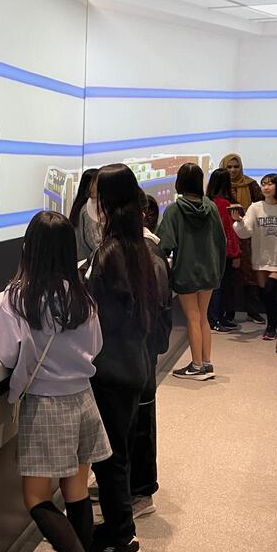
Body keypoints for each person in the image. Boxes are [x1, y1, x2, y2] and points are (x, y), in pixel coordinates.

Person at [0, 211, 118, 552]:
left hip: (46, 406)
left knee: (35, 497)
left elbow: (5, 352)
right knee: (76, 490)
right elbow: (95, 346)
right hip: (83, 400)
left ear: (29, 249)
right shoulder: (82, 297)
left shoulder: (18, 298)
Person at [84, 163, 158, 552]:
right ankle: (118, 526)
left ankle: (121, 538)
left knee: (109, 457)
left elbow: (99, 317)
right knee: (118, 453)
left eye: (98, 196)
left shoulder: (111, 251)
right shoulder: (137, 246)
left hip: (111, 369)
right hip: (132, 364)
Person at [125, 187, 173, 519]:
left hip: (137, 353)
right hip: (133, 353)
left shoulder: (147, 253)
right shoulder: (136, 248)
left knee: (140, 421)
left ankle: (141, 491)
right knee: (131, 422)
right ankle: (129, 485)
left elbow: (151, 311)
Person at [157, 162, 225, 380]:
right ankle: (206, 362)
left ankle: (196, 366)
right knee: (203, 317)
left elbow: (164, 243)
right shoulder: (211, 207)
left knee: (193, 318)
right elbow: (221, 240)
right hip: (209, 270)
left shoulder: (174, 210)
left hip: (186, 271)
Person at [232, 174, 277, 341]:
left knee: (271, 288)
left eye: (270, 184)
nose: (266, 187)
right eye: (263, 184)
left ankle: (271, 326)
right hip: (261, 256)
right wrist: (239, 222)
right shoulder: (255, 207)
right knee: (264, 292)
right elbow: (246, 232)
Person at [221, 153, 264, 324]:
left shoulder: (251, 184)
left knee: (250, 274)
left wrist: (246, 216)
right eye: (229, 167)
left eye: (236, 166)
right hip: (226, 235)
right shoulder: (220, 184)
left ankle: (253, 311)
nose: (233, 170)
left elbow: (262, 206)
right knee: (229, 276)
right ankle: (228, 312)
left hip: (248, 235)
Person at [205, 168, 241, 332]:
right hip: (224, 252)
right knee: (220, 287)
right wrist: (236, 253)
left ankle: (216, 318)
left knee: (216, 287)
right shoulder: (225, 204)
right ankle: (216, 319)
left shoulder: (207, 202)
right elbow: (229, 231)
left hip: (210, 251)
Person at [69, 168, 101, 261]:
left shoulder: (79, 203)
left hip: (79, 258)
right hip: (87, 261)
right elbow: (95, 244)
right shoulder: (88, 210)